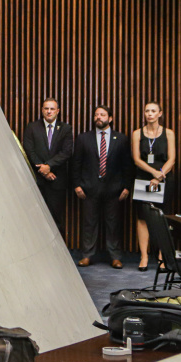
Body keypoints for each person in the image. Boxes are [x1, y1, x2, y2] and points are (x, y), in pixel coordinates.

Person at [72, 105, 134, 268]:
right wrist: (77, 185)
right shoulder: (83, 138)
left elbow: (127, 165)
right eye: (96, 114)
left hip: (114, 189)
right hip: (89, 188)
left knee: (113, 224)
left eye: (102, 114)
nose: (98, 117)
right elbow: (76, 163)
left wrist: (127, 187)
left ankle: (115, 257)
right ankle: (87, 255)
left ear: (110, 118)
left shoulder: (121, 138)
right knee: (89, 223)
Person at [131, 102, 176, 271]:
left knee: (163, 217)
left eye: (153, 111)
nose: (149, 114)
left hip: (163, 179)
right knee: (142, 218)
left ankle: (162, 257)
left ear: (160, 114)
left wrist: (160, 175)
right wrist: (153, 173)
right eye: (147, 111)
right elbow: (137, 159)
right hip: (143, 179)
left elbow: (172, 159)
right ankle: (144, 257)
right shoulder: (137, 133)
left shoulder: (169, 133)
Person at [22, 98, 74, 237]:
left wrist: (49, 166)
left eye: (52, 109)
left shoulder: (66, 129)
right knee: (35, 218)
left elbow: (66, 152)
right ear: (42, 110)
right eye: (46, 108)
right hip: (37, 180)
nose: (49, 111)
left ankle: (57, 249)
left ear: (58, 111)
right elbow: (29, 151)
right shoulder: (32, 127)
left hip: (57, 180)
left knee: (56, 219)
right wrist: (44, 171)